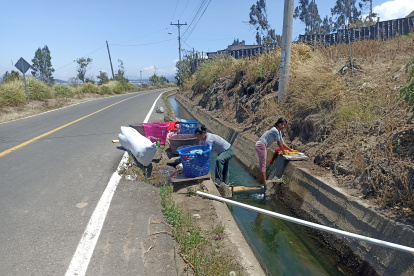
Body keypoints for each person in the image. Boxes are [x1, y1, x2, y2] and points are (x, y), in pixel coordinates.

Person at [255, 117, 293, 185]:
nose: (283, 126)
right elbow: (279, 143)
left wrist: (291, 150)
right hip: (261, 145)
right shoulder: (275, 130)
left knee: (262, 165)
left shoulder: (278, 131)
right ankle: (264, 184)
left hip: (261, 145)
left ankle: (261, 183)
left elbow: (283, 143)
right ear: (278, 123)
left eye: (285, 125)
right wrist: (284, 152)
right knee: (263, 165)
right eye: (282, 124)